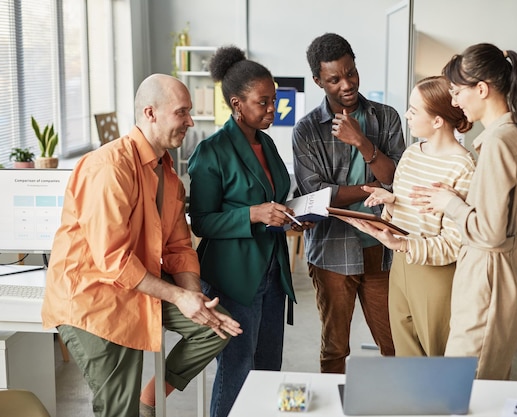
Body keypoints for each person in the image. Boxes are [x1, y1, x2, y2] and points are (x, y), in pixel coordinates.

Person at [41, 73, 242, 417]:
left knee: (215, 328)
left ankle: (148, 400)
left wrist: (193, 297)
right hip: (94, 300)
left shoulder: (170, 177)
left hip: (139, 286)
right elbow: (114, 260)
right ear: (150, 113)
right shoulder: (108, 168)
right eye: (182, 112)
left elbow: (179, 247)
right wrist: (178, 296)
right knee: (119, 411)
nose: (190, 121)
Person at [411, 43, 517, 379]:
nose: (455, 101)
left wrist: (451, 204)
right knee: (489, 380)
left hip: (488, 276)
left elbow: (489, 233)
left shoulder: (499, 142)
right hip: (503, 273)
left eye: (457, 92)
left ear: (482, 89)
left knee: (467, 386)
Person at [187, 46, 301, 417]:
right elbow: (202, 221)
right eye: (263, 102)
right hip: (235, 278)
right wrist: (252, 214)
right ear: (237, 103)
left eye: (275, 100)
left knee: (269, 368)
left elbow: (273, 197)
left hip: (272, 272)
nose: (272, 109)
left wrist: (295, 214)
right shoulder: (212, 152)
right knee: (237, 372)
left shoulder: (265, 143)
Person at [292, 32, 406, 373]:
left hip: (380, 248)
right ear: (318, 80)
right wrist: (372, 187)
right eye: (334, 79)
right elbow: (316, 194)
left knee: (396, 343)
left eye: (351, 73)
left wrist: (361, 142)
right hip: (331, 252)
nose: (347, 84)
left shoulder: (386, 118)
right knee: (334, 348)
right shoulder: (307, 130)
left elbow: (397, 179)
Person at [343, 75, 475, 357]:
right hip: (400, 264)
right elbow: (402, 212)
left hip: (435, 274)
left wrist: (403, 244)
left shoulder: (464, 167)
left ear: (438, 121)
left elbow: (454, 243)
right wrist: (392, 201)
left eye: (414, 110)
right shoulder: (413, 153)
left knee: (435, 357)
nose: (406, 115)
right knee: (404, 352)